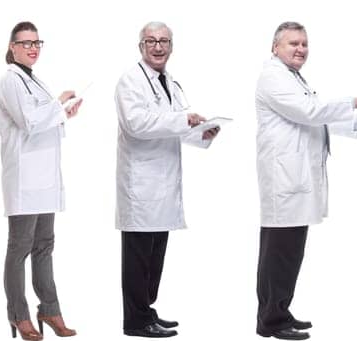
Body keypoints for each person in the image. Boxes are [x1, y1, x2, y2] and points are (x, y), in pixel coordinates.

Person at [253, 21, 357, 340]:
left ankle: (280, 311)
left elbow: (312, 121)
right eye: (293, 43)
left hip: (297, 178)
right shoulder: (272, 77)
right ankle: (270, 321)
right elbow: (310, 113)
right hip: (284, 180)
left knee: (291, 251)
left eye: (304, 44)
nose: (300, 49)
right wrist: (353, 101)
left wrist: (356, 121)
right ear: (275, 47)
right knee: (279, 252)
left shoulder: (293, 77)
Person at [114, 21, 219, 339]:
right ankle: (135, 321)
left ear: (171, 46)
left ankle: (146, 311)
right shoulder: (130, 81)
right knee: (138, 257)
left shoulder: (168, 81)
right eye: (151, 41)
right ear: (140, 46)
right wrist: (181, 119)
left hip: (162, 182)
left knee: (156, 255)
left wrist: (200, 132)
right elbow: (136, 123)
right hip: (141, 184)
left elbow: (172, 124)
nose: (158, 47)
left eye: (163, 41)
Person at [0, 21, 81, 341]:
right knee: (19, 248)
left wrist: (63, 113)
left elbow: (45, 121)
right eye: (26, 43)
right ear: (12, 47)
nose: (33, 48)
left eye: (37, 43)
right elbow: (29, 122)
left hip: (45, 180)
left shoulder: (36, 81)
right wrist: (59, 105)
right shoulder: (10, 81)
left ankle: (50, 309)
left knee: (45, 246)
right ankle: (18, 315)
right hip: (23, 180)